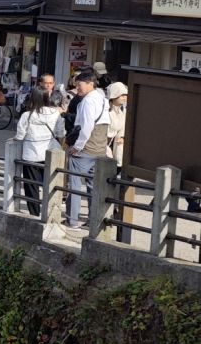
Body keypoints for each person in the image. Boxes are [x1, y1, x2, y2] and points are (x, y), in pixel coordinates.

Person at [65, 67, 111, 230]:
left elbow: (86, 127)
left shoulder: (88, 101)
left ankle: (72, 220)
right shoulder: (102, 98)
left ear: (90, 83)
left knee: (75, 184)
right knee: (93, 185)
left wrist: (77, 147)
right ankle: (93, 220)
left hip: (85, 149)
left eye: (80, 85)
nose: (77, 88)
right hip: (99, 149)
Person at [13, 88, 61, 217]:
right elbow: (61, 133)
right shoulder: (55, 113)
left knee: (31, 186)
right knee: (51, 183)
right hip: (50, 153)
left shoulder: (27, 115)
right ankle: (51, 211)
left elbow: (20, 135)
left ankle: (34, 213)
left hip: (31, 154)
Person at [104, 81, 128, 166]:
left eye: (126, 95)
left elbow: (123, 127)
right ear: (114, 95)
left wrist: (122, 137)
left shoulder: (123, 111)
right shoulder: (105, 109)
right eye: (122, 95)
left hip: (115, 145)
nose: (125, 97)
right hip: (101, 144)